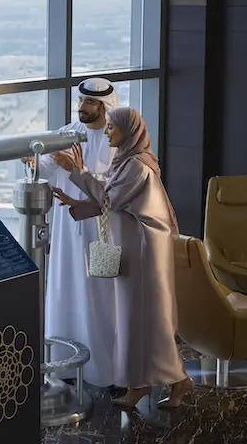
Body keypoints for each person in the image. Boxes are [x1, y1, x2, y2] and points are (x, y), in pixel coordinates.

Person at [51, 107, 193, 409]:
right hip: (134, 246)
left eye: (112, 128)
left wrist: (76, 171)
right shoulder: (126, 162)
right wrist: (78, 202)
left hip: (146, 251)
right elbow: (113, 200)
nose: (106, 132)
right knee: (130, 317)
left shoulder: (137, 167)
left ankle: (178, 379)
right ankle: (138, 384)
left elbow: (110, 199)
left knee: (152, 319)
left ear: (128, 132)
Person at [23, 77, 119, 387]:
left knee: (101, 297)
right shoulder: (66, 134)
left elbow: (115, 185)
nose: (83, 108)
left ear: (104, 107)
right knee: (66, 289)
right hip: (68, 230)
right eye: (81, 102)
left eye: (90, 103)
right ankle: (65, 367)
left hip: (101, 229)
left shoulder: (117, 138)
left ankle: (106, 369)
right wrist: (34, 164)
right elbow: (47, 168)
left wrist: (77, 170)